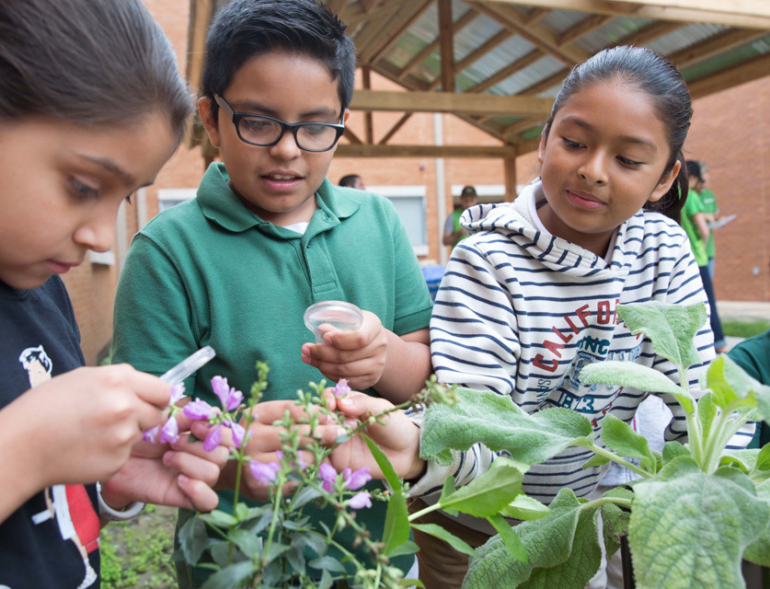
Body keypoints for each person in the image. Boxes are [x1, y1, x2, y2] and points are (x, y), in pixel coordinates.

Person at [315, 47, 757, 589]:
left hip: (589, 509)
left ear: (664, 178)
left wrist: (707, 498)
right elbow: (474, 416)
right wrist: (420, 449)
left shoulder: (662, 249)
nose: (592, 171)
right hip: (479, 518)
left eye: (628, 160)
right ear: (544, 141)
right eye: (574, 143)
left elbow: (697, 402)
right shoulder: (490, 261)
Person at [110, 0, 433, 585]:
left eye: (315, 127)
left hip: (381, 550)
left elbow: (425, 374)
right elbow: (142, 427)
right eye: (258, 121)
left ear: (342, 121)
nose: (288, 149)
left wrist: (383, 353)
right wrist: (234, 455)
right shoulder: (167, 252)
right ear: (210, 119)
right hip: (237, 556)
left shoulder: (379, 221)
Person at [0, 1, 227, 587]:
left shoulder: (42, 293)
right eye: (82, 186)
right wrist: (24, 449)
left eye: (123, 197)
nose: (101, 236)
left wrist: (103, 478)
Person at [681, 160, 727, 352]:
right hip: (698, 257)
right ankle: (719, 343)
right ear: (692, 177)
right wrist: (702, 244)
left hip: (682, 257)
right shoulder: (691, 197)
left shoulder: (676, 195)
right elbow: (703, 229)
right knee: (708, 301)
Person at [697, 162, 720, 280]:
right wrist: (704, 216)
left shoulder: (709, 194)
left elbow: (715, 214)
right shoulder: (692, 195)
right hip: (697, 247)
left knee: (708, 284)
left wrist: (716, 219)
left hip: (709, 248)